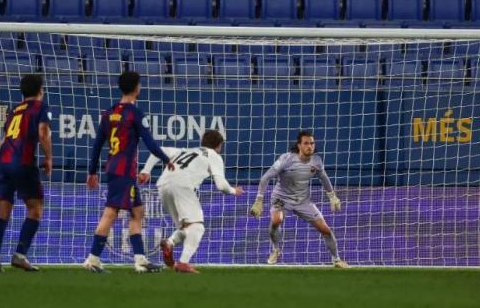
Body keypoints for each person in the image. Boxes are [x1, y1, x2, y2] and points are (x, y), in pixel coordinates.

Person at [84, 71, 174, 273]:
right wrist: (167, 159)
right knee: (111, 212)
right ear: (136, 88)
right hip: (124, 171)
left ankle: (140, 260)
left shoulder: (108, 113)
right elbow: (150, 144)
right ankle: (92, 259)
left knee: (137, 211)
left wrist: (92, 172)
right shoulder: (135, 113)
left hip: (116, 169)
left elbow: (98, 145)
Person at [138, 130, 243, 273]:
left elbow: (159, 150)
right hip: (182, 186)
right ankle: (183, 263)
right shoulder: (214, 156)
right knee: (197, 227)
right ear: (219, 145)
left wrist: (146, 170)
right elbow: (221, 186)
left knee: (186, 228)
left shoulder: (184, 150)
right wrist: (233, 191)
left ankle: (169, 243)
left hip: (162, 185)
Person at [250, 131, 347, 268]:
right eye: (306, 143)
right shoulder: (286, 159)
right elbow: (265, 177)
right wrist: (259, 200)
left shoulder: (316, 161)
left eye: (312, 143)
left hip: (303, 201)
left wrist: (332, 196)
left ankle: (336, 260)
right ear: (299, 145)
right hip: (281, 198)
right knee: (277, 220)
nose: (310, 146)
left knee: (325, 230)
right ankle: (276, 249)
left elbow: (324, 178)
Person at [0, 75, 52, 272]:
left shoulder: (14, 110)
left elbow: (9, 136)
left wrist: (1, 150)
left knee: (3, 211)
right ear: (40, 90)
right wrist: (48, 157)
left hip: (3, 162)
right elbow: (42, 132)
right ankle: (20, 255)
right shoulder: (40, 107)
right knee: (35, 208)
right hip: (22, 162)